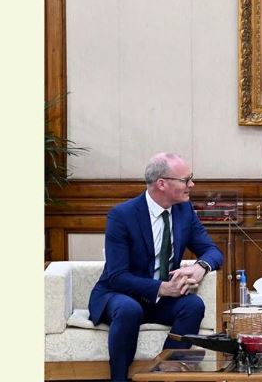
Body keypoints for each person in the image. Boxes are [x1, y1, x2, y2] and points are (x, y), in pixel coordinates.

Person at [88, 152, 223, 381]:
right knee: (130, 310)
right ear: (162, 183)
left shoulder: (184, 211)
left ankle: (165, 374)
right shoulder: (122, 215)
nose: (192, 184)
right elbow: (117, 276)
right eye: (186, 180)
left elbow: (213, 251)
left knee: (193, 305)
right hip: (120, 293)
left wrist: (201, 266)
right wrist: (162, 288)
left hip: (160, 300)